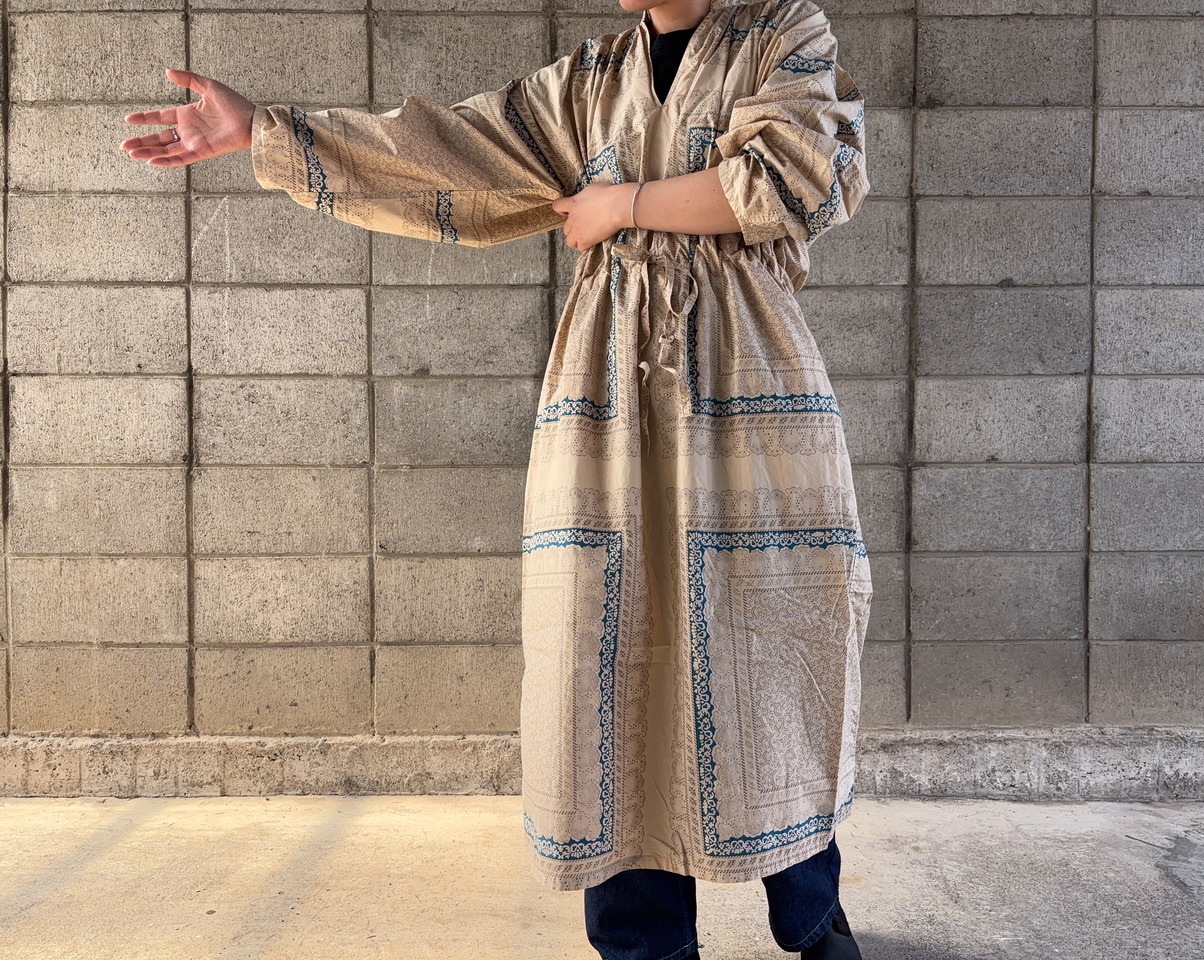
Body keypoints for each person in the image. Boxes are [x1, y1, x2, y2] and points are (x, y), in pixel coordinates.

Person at [120, 0, 872, 956]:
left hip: (749, 383)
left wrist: (621, 205)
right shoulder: (590, 80)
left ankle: (811, 918)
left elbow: (787, 178)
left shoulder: (783, 33)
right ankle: (645, 945)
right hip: (609, 389)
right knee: (607, 649)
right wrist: (265, 131)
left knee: (765, 646)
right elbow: (451, 149)